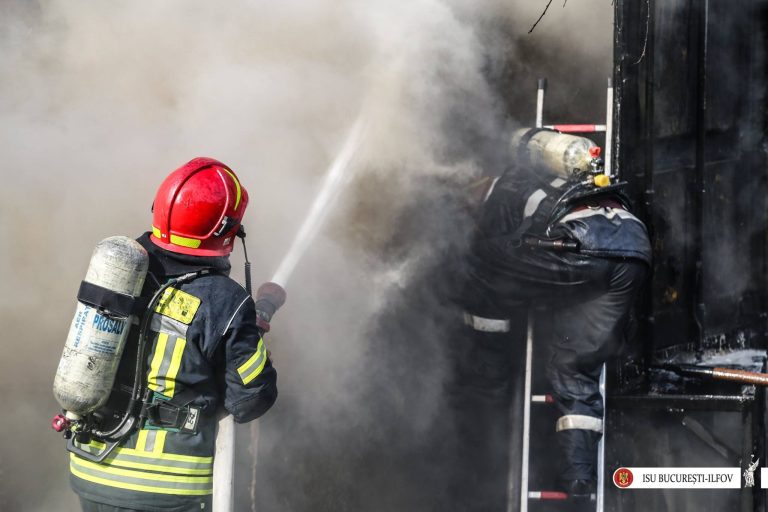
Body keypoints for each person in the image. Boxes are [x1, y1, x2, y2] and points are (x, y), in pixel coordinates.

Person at [68, 157, 284, 512]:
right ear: (225, 230)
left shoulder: (121, 272)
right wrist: (251, 343)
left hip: (92, 472)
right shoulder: (225, 302)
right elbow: (249, 401)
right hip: (166, 488)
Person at [456, 150, 651, 502]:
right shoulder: (553, 179)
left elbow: (510, 259)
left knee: (484, 259)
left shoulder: (504, 188)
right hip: (634, 249)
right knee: (575, 366)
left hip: (583, 243)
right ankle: (579, 480)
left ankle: (487, 374)